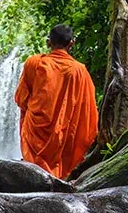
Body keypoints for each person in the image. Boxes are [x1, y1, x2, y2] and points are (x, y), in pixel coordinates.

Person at [14, 24, 99, 179]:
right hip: (63, 135)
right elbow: (87, 111)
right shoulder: (79, 71)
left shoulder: (34, 63)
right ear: (71, 43)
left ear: (48, 42)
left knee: (34, 176)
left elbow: (21, 99)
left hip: (35, 130)